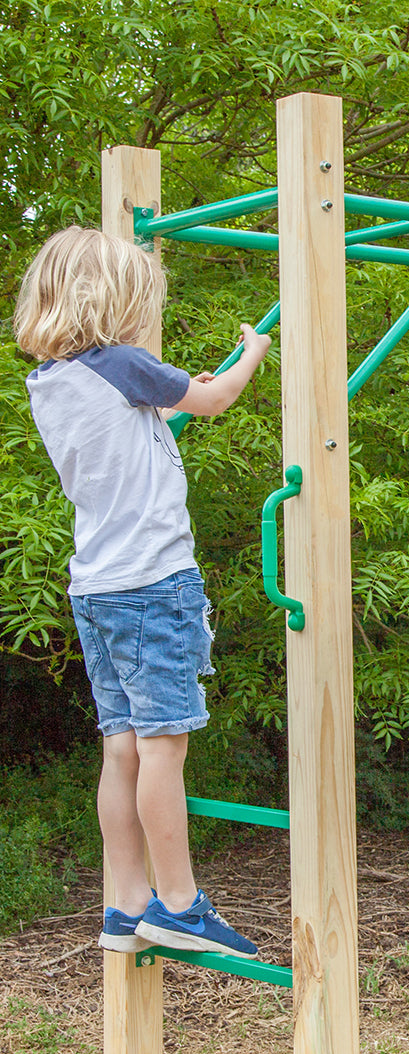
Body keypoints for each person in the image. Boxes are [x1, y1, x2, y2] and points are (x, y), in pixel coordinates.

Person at [13, 226, 272, 957]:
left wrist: (176, 399)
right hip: (154, 585)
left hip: (96, 588)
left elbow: (142, 427)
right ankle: (181, 905)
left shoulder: (54, 381)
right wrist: (253, 352)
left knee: (122, 748)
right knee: (164, 748)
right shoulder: (123, 364)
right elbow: (215, 398)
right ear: (111, 301)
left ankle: (126, 905)